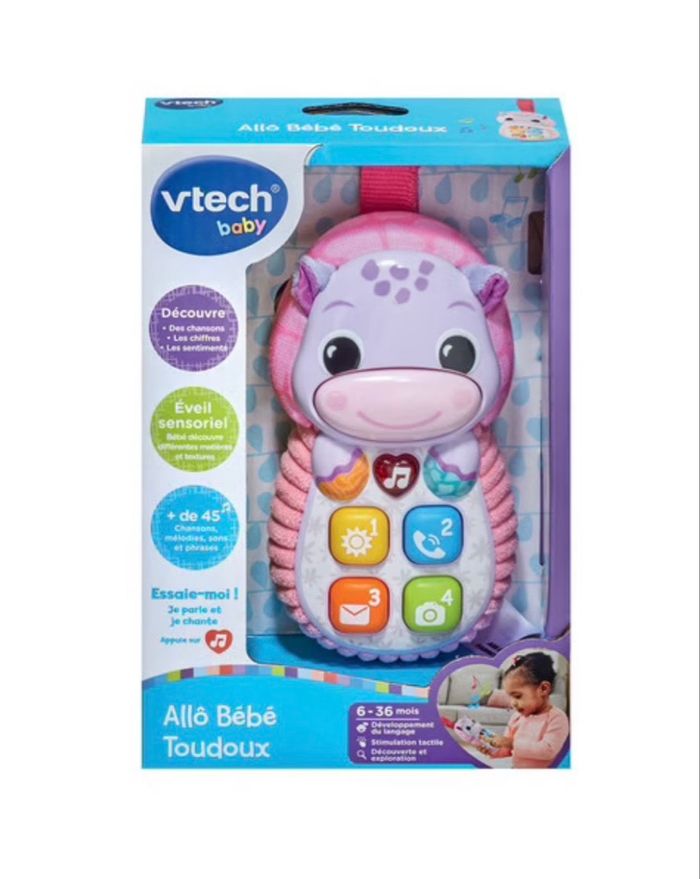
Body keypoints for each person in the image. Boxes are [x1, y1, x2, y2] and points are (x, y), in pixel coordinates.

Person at [484, 652, 569, 768]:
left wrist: (511, 743)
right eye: (510, 697)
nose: (512, 703)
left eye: (517, 696)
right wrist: (492, 750)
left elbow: (548, 750)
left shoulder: (557, 718)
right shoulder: (516, 718)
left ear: (543, 689)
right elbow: (507, 751)